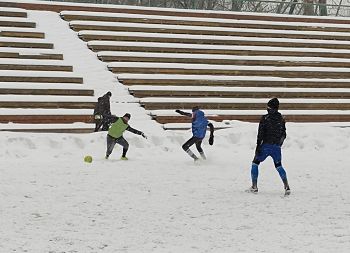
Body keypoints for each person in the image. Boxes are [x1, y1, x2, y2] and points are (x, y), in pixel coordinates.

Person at [247, 98, 290, 195]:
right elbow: (284, 134)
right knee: (279, 166)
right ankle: (286, 186)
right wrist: (279, 144)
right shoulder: (281, 119)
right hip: (276, 147)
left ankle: (254, 186)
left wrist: (258, 146)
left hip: (265, 145)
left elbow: (260, 134)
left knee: (255, 163)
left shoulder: (265, 118)